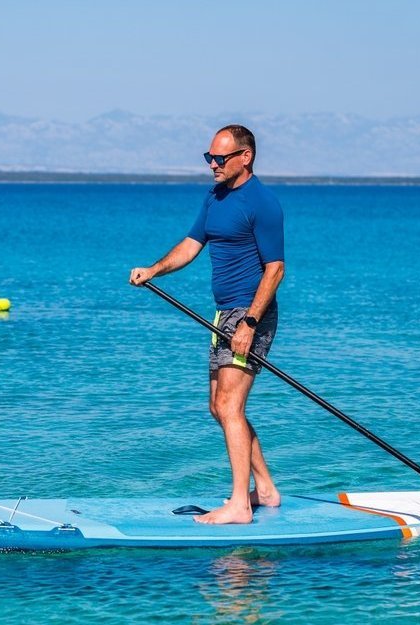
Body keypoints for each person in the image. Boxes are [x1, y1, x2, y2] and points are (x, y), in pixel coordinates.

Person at [129, 125, 285, 525]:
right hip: (223, 315)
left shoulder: (262, 203)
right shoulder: (215, 197)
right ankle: (265, 489)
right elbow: (191, 245)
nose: (212, 164)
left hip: (250, 314)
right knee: (218, 406)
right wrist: (154, 270)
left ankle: (240, 505)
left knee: (231, 406)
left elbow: (275, 269)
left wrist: (250, 323)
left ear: (245, 157)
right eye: (209, 157)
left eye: (220, 158)